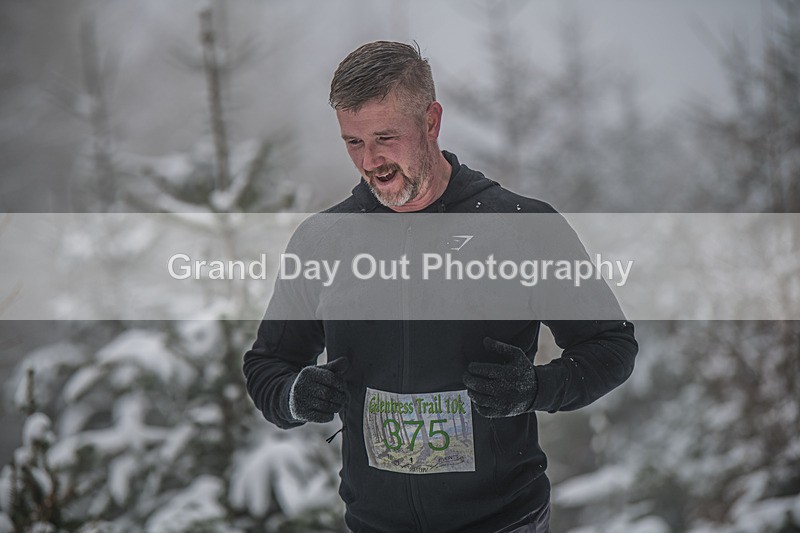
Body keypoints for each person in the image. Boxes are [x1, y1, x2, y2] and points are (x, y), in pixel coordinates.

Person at [243, 41, 638, 533]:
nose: (371, 161)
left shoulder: (521, 226)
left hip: (502, 520)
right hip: (373, 523)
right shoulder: (324, 240)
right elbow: (267, 365)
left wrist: (537, 387)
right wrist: (293, 396)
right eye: (353, 142)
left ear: (430, 121)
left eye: (386, 137)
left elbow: (612, 345)